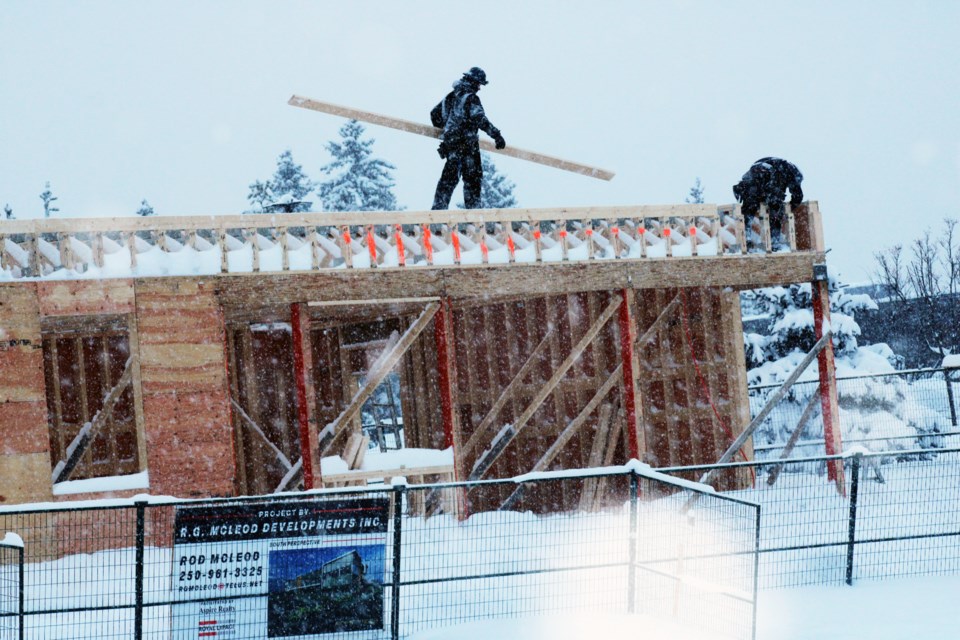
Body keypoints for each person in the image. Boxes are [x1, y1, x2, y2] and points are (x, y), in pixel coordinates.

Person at [430, 67, 506, 210]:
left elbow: (435, 114)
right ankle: (474, 217)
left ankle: (437, 215)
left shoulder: (451, 97)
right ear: (473, 82)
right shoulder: (470, 98)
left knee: (447, 182)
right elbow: (480, 120)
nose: (479, 88)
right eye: (479, 84)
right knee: (472, 182)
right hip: (467, 147)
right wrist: (497, 136)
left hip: (452, 147)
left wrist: (448, 130)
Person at [732, 157, 804, 249]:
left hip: (758, 179)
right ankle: (774, 242)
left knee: (751, 208)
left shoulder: (783, 171)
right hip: (763, 178)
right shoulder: (786, 171)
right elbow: (797, 195)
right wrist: (791, 206)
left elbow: (797, 195)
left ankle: (748, 239)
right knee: (774, 207)